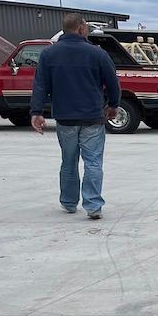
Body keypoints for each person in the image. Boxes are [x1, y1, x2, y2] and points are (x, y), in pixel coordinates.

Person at [30, 13, 121, 219]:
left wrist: (36, 112)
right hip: (92, 118)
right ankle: (93, 206)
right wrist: (113, 105)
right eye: (86, 28)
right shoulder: (97, 54)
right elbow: (113, 83)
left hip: (65, 118)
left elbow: (40, 85)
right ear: (81, 28)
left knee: (68, 161)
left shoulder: (48, 54)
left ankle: (69, 203)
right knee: (93, 162)